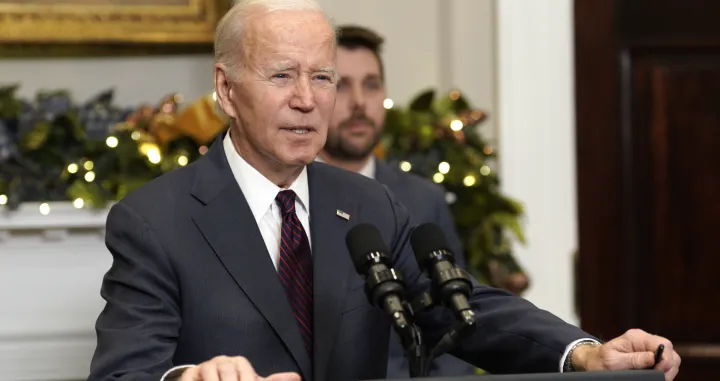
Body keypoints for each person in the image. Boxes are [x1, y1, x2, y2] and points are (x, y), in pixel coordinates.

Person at [87, 1, 681, 381]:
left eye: (322, 78)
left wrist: (583, 353)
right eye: (281, 75)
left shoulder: (367, 205)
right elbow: (122, 374)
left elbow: (463, 310)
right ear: (226, 89)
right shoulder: (155, 221)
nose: (307, 99)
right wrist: (187, 378)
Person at [316, 25, 476, 378]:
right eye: (342, 85)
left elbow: (454, 331)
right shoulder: (289, 197)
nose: (359, 102)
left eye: (371, 84)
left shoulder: (422, 200)